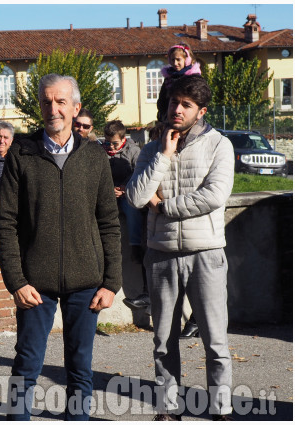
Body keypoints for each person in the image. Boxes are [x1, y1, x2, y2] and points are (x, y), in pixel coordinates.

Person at [0, 73, 122, 421]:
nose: (53, 109)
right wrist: (16, 282)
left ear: (75, 107)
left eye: (61, 101)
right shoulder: (21, 154)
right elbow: (6, 223)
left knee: (81, 369)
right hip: (35, 285)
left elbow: (109, 222)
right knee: (27, 364)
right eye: (47, 101)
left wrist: (111, 283)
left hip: (86, 282)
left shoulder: (95, 157)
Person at [125, 75, 234, 421]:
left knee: (215, 342)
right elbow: (135, 196)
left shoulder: (220, 145)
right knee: (163, 342)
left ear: (201, 111)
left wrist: (164, 207)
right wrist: (164, 155)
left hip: (206, 253)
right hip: (160, 254)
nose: (177, 109)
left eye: (186, 104)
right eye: (174, 102)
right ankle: (168, 410)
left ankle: (220, 411)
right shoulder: (151, 148)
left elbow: (214, 197)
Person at [101, 120, 149, 310]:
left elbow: (138, 173)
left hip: (128, 193)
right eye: (108, 142)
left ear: (123, 139)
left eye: (114, 143)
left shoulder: (133, 151)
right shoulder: (102, 151)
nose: (111, 147)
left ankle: (135, 245)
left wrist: (125, 188)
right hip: (109, 194)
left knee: (133, 211)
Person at [157, 43, 201, 124]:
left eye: (178, 59)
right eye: (173, 60)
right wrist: (162, 118)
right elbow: (162, 100)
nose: (175, 63)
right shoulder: (169, 78)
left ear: (187, 60)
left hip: (188, 120)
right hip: (169, 119)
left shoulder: (194, 78)